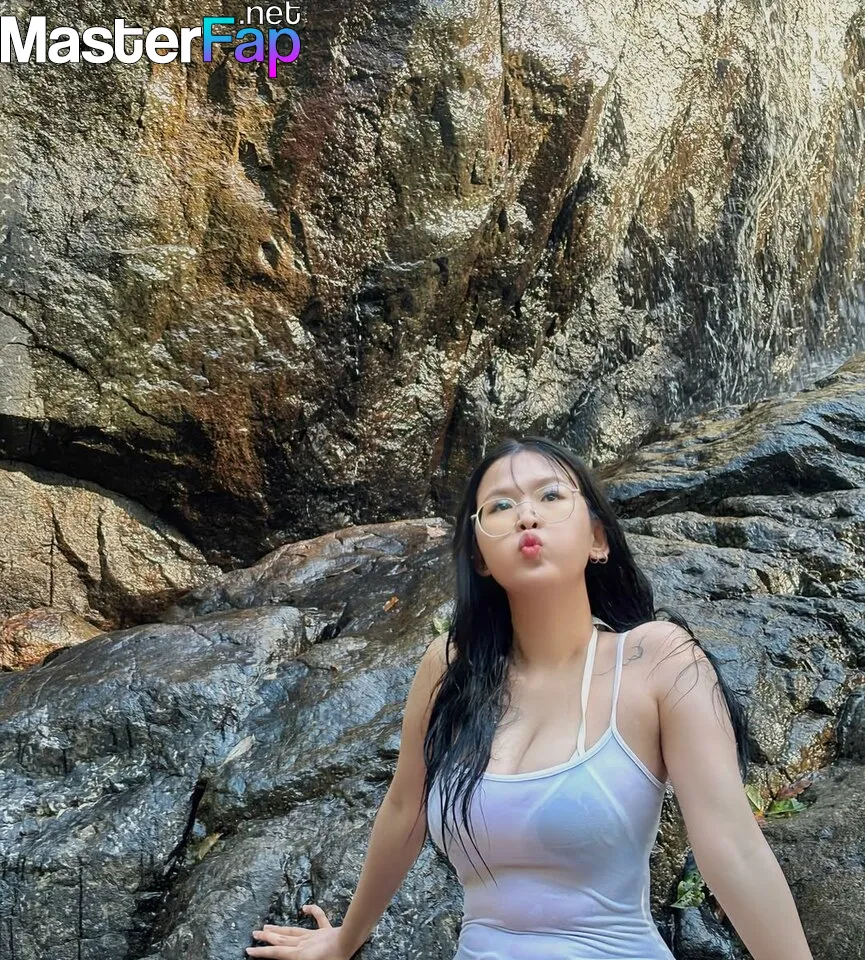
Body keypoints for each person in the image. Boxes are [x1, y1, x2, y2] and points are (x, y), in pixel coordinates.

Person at [246, 435, 815, 960]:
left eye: (550, 495)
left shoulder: (657, 660)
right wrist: (344, 940)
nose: (526, 514)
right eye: (499, 505)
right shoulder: (450, 668)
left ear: (597, 538)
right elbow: (404, 809)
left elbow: (733, 848)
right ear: (479, 556)